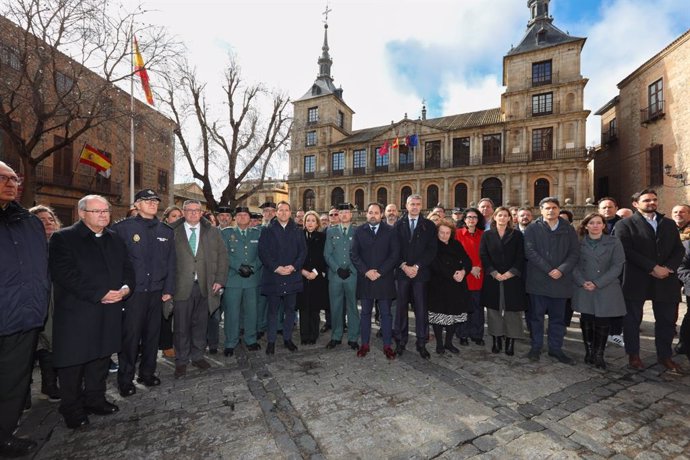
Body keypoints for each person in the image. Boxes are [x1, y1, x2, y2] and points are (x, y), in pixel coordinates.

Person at [49, 195, 134, 429]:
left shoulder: (115, 238)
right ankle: (72, 408)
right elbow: (65, 275)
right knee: (74, 363)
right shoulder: (63, 238)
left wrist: (126, 288)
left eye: (106, 210)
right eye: (97, 211)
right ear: (82, 213)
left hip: (109, 311)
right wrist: (100, 293)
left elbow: (128, 267)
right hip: (78, 312)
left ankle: (95, 399)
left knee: (101, 357)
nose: (103, 215)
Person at [0, 162, 49, 456]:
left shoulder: (30, 222)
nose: (10, 183)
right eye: (3, 178)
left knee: (14, 384)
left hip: (24, 317)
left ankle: (5, 434)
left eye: (13, 179)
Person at [112, 189, 175, 397]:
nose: (152, 203)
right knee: (131, 338)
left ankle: (147, 373)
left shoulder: (166, 231)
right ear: (136, 205)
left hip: (156, 292)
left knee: (152, 336)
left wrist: (168, 289)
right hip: (134, 293)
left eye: (155, 201)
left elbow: (171, 263)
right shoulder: (123, 228)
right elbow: (116, 262)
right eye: (146, 201)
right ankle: (125, 379)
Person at [614, 189, 684, 372]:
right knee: (632, 320)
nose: (651, 203)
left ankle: (665, 356)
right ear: (636, 204)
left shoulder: (668, 223)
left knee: (667, 320)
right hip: (636, 278)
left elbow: (679, 249)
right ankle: (634, 356)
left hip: (666, 279)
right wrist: (652, 267)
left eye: (654, 199)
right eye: (646, 200)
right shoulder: (625, 224)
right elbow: (625, 250)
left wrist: (668, 268)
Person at [170, 200, 228, 378]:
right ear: (183, 212)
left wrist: (220, 280)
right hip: (181, 287)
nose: (194, 213)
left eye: (197, 210)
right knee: (181, 326)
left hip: (205, 286)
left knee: (200, 325)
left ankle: (197, 356)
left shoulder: (212, 231)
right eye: (190, 210)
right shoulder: (172, 231)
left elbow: (223, 257)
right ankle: (181, 360)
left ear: (201, 212)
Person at [524, 197, 579, 364]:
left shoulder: (568, 229)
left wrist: (561, 270)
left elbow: (574, 252)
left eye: (554, 207)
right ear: (540, 210)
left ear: (559, 209)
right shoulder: (532, 228)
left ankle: (556, 349)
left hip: (560, 281)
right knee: (536, 317)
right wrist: (548, 269)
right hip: (538, 280)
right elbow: (530, 251)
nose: (551, 211)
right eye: (547, 208)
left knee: (558, 318)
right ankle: (536, 347)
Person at [571, 213, 626, 370]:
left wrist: (598, 283)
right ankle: (589, 351)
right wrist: (582, 282)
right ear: (586, 225)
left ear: (604, 226)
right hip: (584, 286)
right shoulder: (578, 243)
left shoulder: (614, 242)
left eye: (598, 223)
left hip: (606, 286)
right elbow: (572, 264)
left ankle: (599, 354)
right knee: (587, 318)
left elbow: (617, 266)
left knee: (603, 320)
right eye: (591, 223)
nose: (595, 225)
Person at [350, 203, 400, 359]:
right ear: (366, 214)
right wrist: (366, 271)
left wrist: (380, 272)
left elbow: (394, 254)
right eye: (370, 212)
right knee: (365, 313)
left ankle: (387, 346)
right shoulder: (359, 231)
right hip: (366, 279)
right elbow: (354, 254)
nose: (373, 215)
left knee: (385, 314)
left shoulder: (390, 231)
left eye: (376, 213)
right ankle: (365, 344)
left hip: (384, 279)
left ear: (381, 215)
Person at [259, 201, 306, 354]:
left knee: (290, 310)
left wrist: (293, 267)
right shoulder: (267, 230)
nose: (284, 213)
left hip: (292, 276)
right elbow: (263, 252)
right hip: (274, 276)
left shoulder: (298, 231)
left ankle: (287, 339)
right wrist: (276, 268)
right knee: (272, 311)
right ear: (276, 212)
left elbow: (303, 252)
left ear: (290, 212)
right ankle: (271, 341)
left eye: (287, 210)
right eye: (281, 210)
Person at [394, 194, 438, 359]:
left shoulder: (429, 226)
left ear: (421, 206)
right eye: (412, 204)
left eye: (418, 204)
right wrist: (404, 266)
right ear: (406, 205)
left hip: (421, 273)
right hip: (402, 273)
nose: (415, 206)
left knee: (421, 309)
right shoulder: (398, 225)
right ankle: (400, 341)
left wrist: (417, 266)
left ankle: (421, 342)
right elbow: (394, 250)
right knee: (401, 309)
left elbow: (431, 250)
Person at [480, 207, 526, 357]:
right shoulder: (487, 235)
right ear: (494, 217)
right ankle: (496, 339)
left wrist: (510, 273)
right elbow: (483, 255)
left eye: (505, 215)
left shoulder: (517, 235)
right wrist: (493, 272)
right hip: (493, 277)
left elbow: (521, 256)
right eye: (499, 215)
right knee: (494, 310)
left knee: (512, 310)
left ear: (509, 218)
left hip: (512, 278)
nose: (502, 218)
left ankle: (510, 341)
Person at [28, 205, 62, 403]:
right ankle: (22, 395)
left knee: (50, 342)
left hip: (56, 300)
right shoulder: (28, 245)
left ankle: (49, 385)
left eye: (50, 219)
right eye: (42, 220)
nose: (48, 222)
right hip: (33, 300)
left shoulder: (62, 243)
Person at [220, 206, 262, 356]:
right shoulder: (226, 233)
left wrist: (253, 267)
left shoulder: (257, 233)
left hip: (252, 279)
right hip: (233, 279)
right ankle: (231, 341)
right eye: (239, 215)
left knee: (251, 312)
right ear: (234, 218)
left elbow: (262, 254)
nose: (242, 217)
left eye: (245, 215)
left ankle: (251, 339)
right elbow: (223, 254)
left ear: (250, 218)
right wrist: (239, 267)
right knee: (232, 312)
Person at [428, 219, 472, 354]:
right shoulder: (432, 245)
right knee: (438, 316)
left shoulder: (456, 244)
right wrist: (452, 274)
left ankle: (449, 343)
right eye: (441, 232)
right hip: (438, 286)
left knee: (453, 316)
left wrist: (464, 272)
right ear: (437, 233)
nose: (444, 235)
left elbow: (467, 260)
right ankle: (440, 345)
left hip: (457, 287)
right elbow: (435, 265)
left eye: (447, 233)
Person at [324, 203, 360, 350]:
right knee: (336, 307)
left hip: (352, 275)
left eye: (347, 212)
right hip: (335, 276)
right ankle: (336, 336)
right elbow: (327, 253)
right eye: (342, 212)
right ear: (338, 215)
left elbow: (360, 253)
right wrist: (337, 269)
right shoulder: (331, 231)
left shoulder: (357, 232)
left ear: (351, 215)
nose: (344, 215)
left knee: (352, 307)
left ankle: (353, 337)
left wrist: (350, 269)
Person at [296, 211, 329, 345]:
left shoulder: (322, 237)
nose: (310, 223)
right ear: (304, 223)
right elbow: (295, 255)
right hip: (301, 276)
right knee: (303, 308)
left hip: (317, 277)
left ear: (317, 223)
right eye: (307, 220)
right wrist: (303, 271)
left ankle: (313, 335)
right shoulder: (299, 237)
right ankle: (304, 336)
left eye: (312, 221)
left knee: (315, 308)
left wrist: (315, 272)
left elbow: (324, 256)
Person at [455, 207, 485, 346]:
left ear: (478, 220)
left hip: (479, 275)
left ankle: (477, 334)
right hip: (463, 275)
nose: (472, 220)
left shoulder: (484, 234)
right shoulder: (457, 234)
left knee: (478, 307)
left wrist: (478, 267)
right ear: (464, 220)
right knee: (462, 307)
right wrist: (470, 267)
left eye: (474, 217)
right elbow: (455, 255)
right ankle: (462, 334)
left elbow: (486, 254)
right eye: (469, 217)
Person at [597, 197, 625, 348]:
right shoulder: (593, 223)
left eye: (610, 207)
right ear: (599, 210)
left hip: (618, 270)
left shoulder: (624, 224)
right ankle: (601, 333)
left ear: (616, 208)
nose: (607, 210)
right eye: (604, 207)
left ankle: (615, 333)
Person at [159, 206, 183, 359]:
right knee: (166, 314)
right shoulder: (161, 233)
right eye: (174, 216)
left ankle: (179, 343)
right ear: (166, 218)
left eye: (180, 216)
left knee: (180, 315)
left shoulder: (186, 234)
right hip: (166, 279)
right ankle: (166, 345)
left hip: (182, 279)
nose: (177, 218)